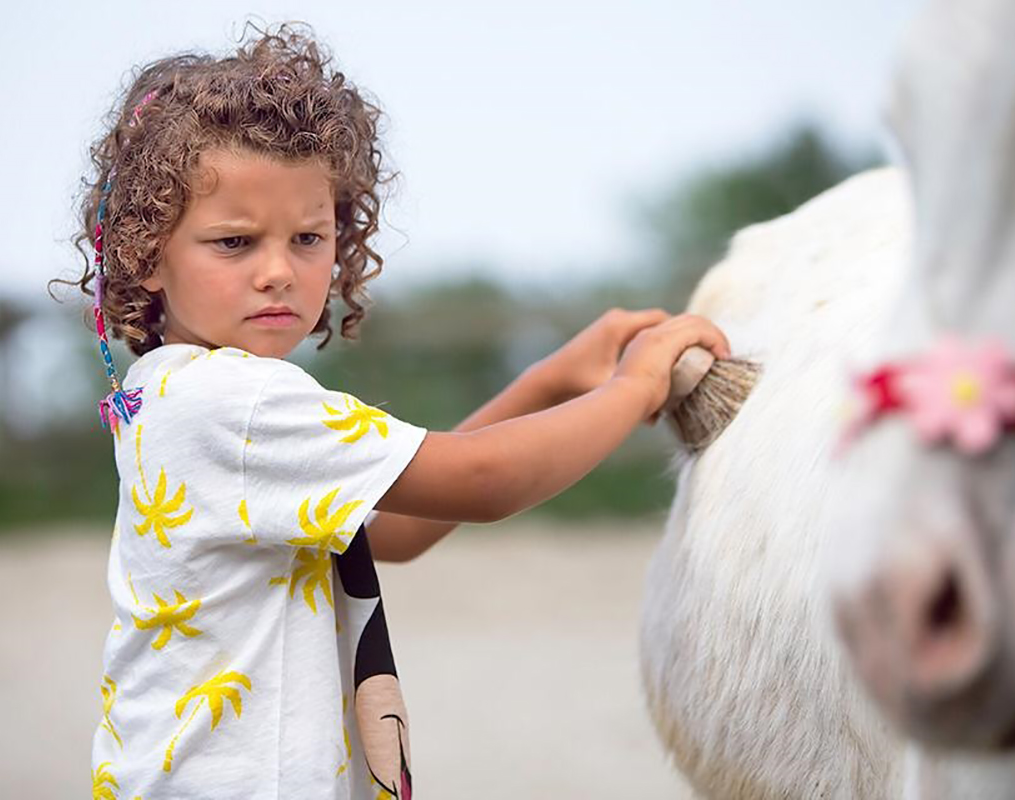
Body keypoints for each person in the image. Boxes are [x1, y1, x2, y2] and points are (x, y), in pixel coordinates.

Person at [56, 22, 729, 800]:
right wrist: (637, 387)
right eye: (234, 242)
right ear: (145, 253)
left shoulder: (171, 390)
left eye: (309, 237)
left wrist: (551, 381)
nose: (279, 271)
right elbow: (480, 481)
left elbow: (394, 532)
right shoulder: (233, 403)